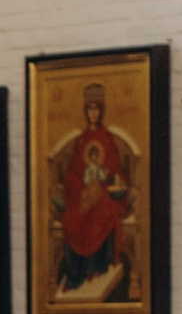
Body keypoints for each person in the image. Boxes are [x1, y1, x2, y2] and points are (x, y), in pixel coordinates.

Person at [53, 81, 137, 300]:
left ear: (101, 111)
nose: (92, 114)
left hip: (103, 194)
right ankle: (77, 274)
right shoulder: (81, 141)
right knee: (73, 217)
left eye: (96, 109)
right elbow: (72, 172)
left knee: (102, 213)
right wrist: (80, 188)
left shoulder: (107, 139)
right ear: (85, 111)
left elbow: (116, 170)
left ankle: (96, 268)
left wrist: (104, 184)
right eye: (89, 109)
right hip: (82, 194)